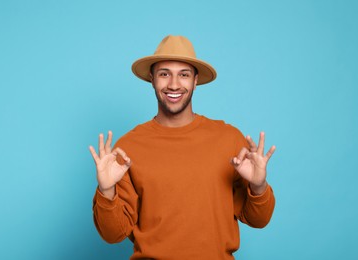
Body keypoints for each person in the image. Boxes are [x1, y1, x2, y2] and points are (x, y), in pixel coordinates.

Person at [89, 35, 276, 260]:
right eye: (164, 74)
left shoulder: (229, 139)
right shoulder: (127, 148)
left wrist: (258, 186)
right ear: (152, 78)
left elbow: (259, 220)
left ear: (195, 80)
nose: (174, 84)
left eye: (184, 74)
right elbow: (113, 234)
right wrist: (106, 191)